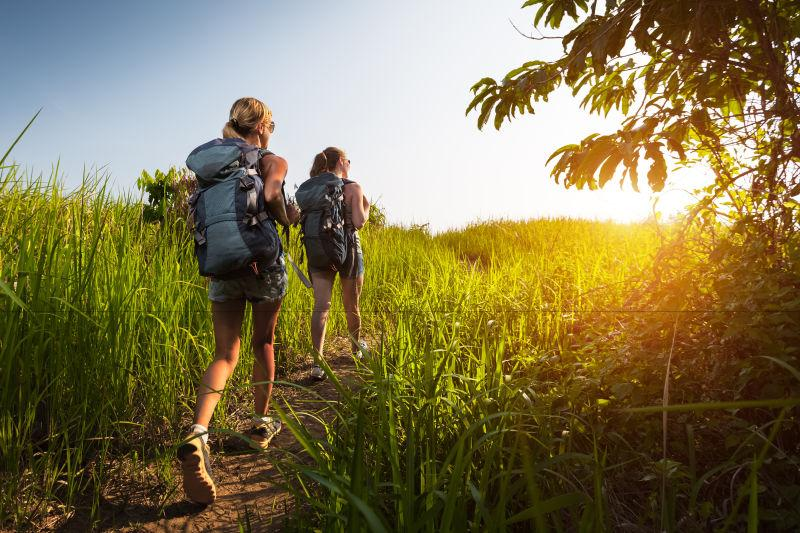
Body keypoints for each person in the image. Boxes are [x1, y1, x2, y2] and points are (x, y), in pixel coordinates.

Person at [178, 97, 300, 505]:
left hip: (222, 266)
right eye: (272, 123)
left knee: (223, 354)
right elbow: (272, 198)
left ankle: (198, 433)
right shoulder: (270, 158)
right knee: (262, 343)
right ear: (261, 124)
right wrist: (290, 216)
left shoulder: (213, 165)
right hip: (262, 264)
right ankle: (261, 425)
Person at [303, 147, 369, 381]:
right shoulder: (353, 187)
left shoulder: (314, 188)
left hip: (320, 248)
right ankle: (355, 350)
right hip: (349, 248)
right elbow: (359, 222)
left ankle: (317, 363)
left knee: (321, 306)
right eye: (348, 160)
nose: (349, 164)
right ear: (341, 162)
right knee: (352, 305)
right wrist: (367, 208)